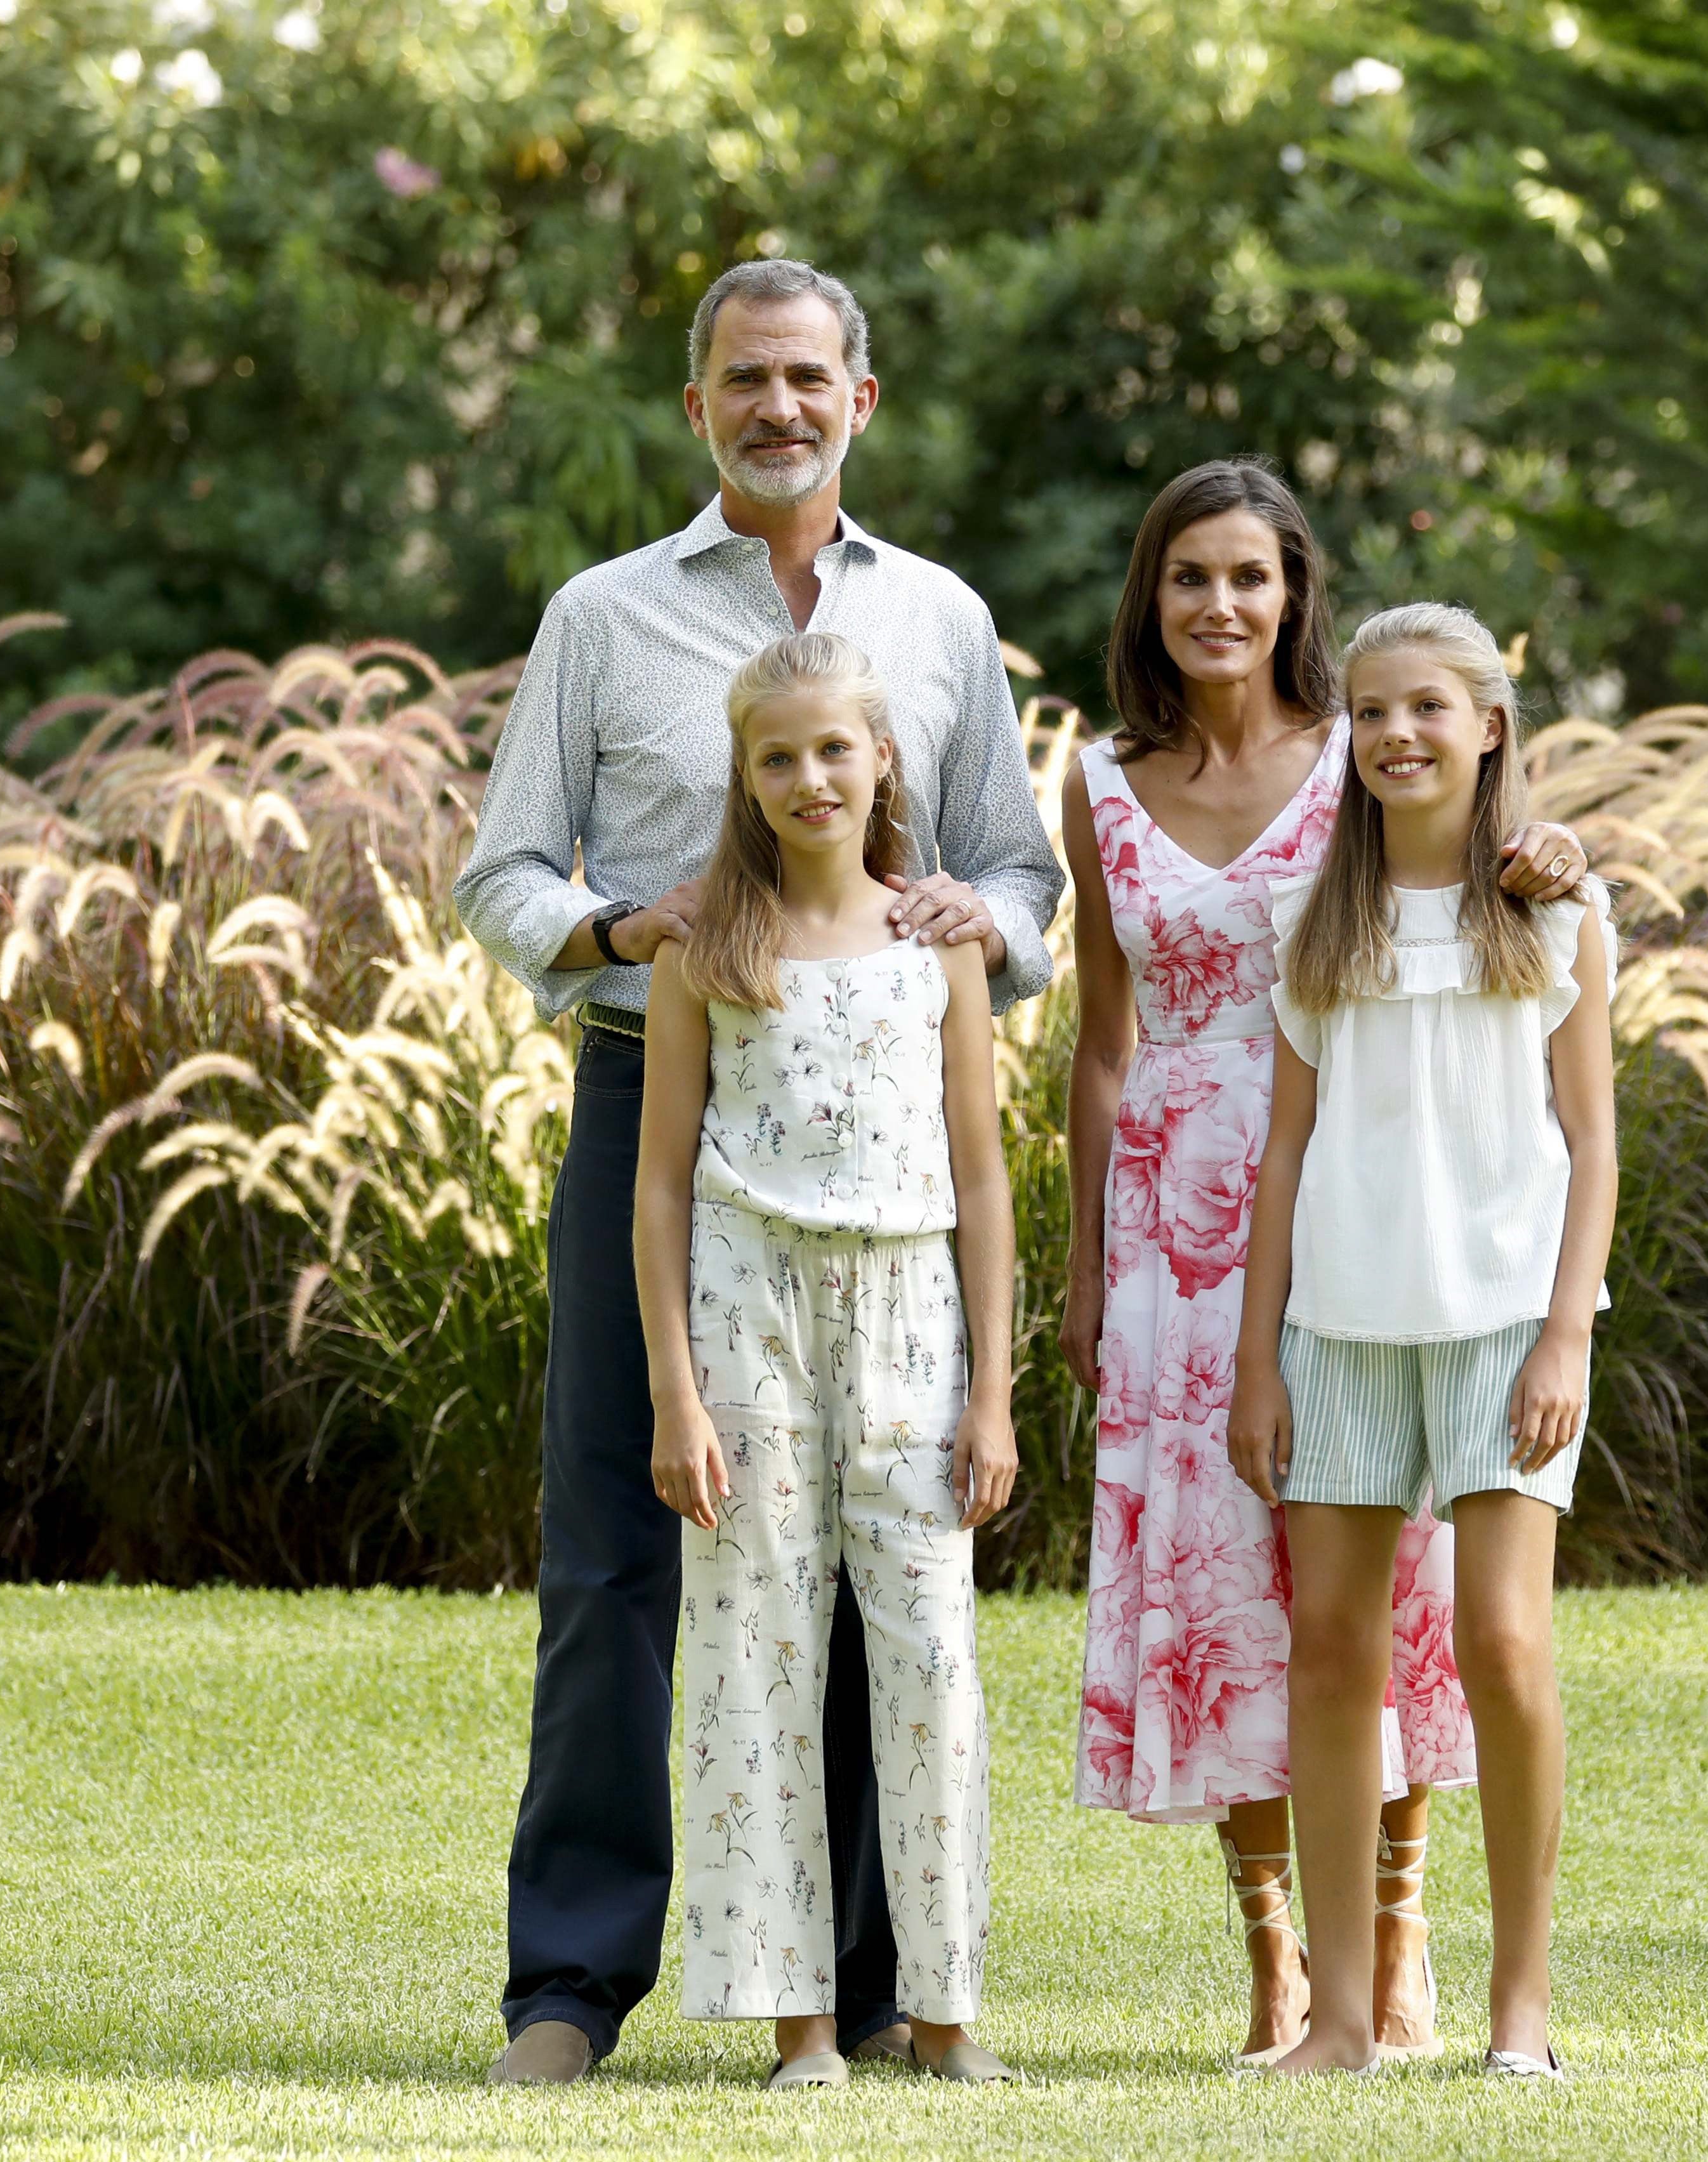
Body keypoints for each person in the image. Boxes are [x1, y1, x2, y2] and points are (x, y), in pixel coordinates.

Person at [454, 260, 1064, 2087]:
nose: (778, 407)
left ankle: (870, 1988)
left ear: (860, 399)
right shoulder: (603, 617)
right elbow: (500, 871)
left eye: (809, 377)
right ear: (698, 403)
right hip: (664, 1105)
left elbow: (1020, 875)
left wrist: (987, 920)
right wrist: (612, 929)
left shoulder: (945, 624)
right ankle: (569, 1988)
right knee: (622, 1559)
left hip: (881, 1146)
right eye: (745, 380)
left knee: (886, 1571)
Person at [1056, 460, 1590, 2067]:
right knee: (1227, 1587)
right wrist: (1089, 1261)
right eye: (1186, 578)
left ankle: (1406, 1926)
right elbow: (1096, 1044)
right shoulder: (1099, 784)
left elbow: (1476, 836)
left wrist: (1550, 844)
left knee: (1411, 1600)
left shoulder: (1356, 758)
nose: (1218, 606)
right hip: (1177, 1222)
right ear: (1149, 600)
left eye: (1249, 577)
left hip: (1380, 1210)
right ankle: (1279, 1961)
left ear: (1296, 596)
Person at [1230, 602, 1619, 2081]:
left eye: (1429, 710)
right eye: (1372, 713)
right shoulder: (1310, 924)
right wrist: (1258, 1358)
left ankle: (1520, 2009)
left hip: (1507, 1328)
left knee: (1502, 1644)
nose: (1397, 735)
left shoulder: (1557, 913)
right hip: (1337, 1327)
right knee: (1330, 1656)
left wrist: (1565, 1340)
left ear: (1490, 727)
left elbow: (1591, 1145)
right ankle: (1340, 2021)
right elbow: (1281, 1157)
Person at [635, 631, 1021, 2090]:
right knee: (754, 1655)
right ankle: (798, 2023)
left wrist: (991, 1388)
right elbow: (659, 1184)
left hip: (911, 1313)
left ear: (879, 763)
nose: (809, 776)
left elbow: (982, 1177)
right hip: (749, 1317)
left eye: (832, 749)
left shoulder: (939, 952)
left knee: (929, 1656)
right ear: (745, 778)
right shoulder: (705, 953)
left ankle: (944, 2015)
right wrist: (676, 1389)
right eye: (777, 755)